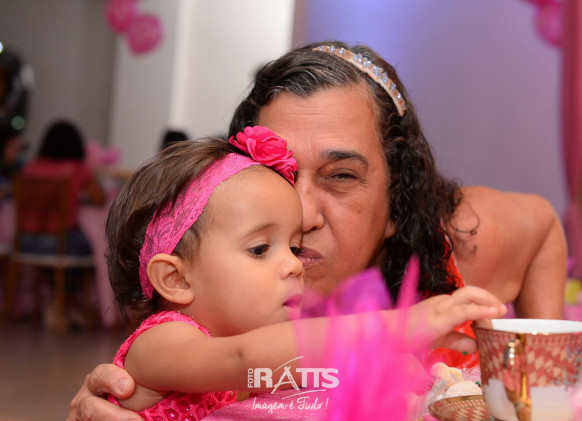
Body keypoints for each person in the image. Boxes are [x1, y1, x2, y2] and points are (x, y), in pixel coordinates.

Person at [67, 41, 565, 419]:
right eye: (278, 175)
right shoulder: (224, 299)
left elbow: (542, 223)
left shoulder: (465, 243)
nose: (302, 214)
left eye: (341, 176)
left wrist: (549, 374)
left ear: (397, 203)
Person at [93, 126, 504, 419]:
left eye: (292, 247)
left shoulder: (249, 351)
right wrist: (395, 327)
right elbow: (244, 358)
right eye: (259, 249)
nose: (293, 264)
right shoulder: (159, 343)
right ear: (176, 279)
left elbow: (302, 371)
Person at [19, 119, 105, 255]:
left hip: (23, 241)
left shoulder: (29, 168)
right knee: (96, 243)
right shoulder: (76, 169)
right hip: (59, 243)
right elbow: (99, 199)